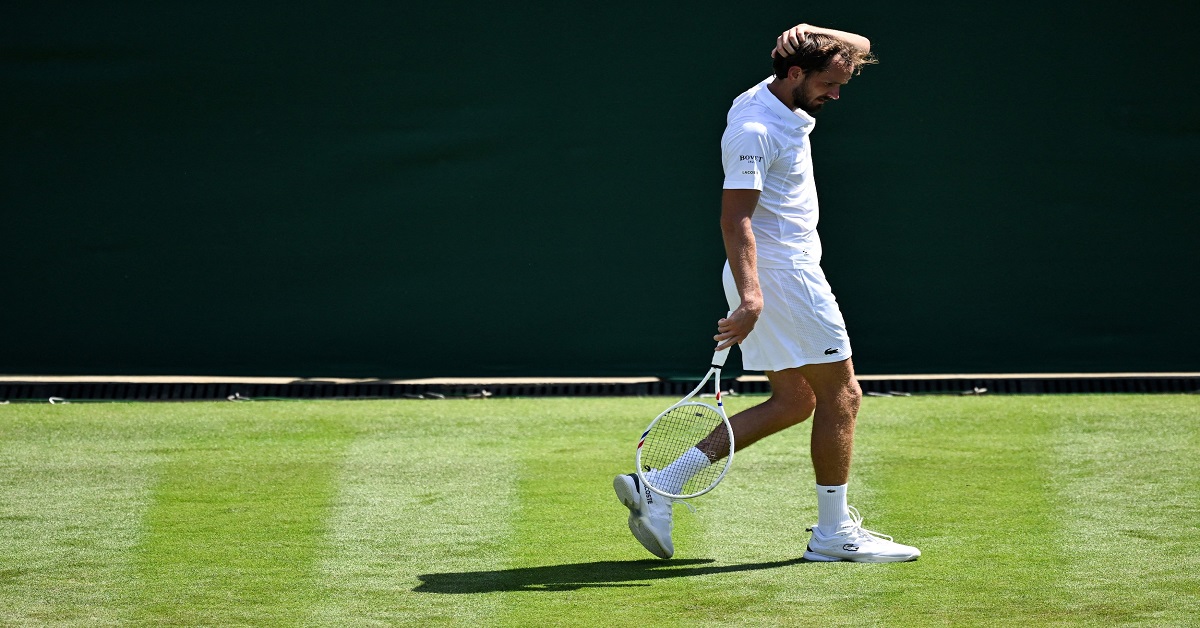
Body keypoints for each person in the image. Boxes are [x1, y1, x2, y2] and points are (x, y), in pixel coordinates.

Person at [614, 22, 920, 563]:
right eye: (830, 83)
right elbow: (736, 218)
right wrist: (752, 297)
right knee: (843, 395)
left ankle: (658, 484)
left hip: (781, 271)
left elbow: (863, 46)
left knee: (795, 401)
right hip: (783, 275)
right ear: (796, 73)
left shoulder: (773, 91)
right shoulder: (755, 128)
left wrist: (814, 28)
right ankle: (833, 535)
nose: (837, 94)